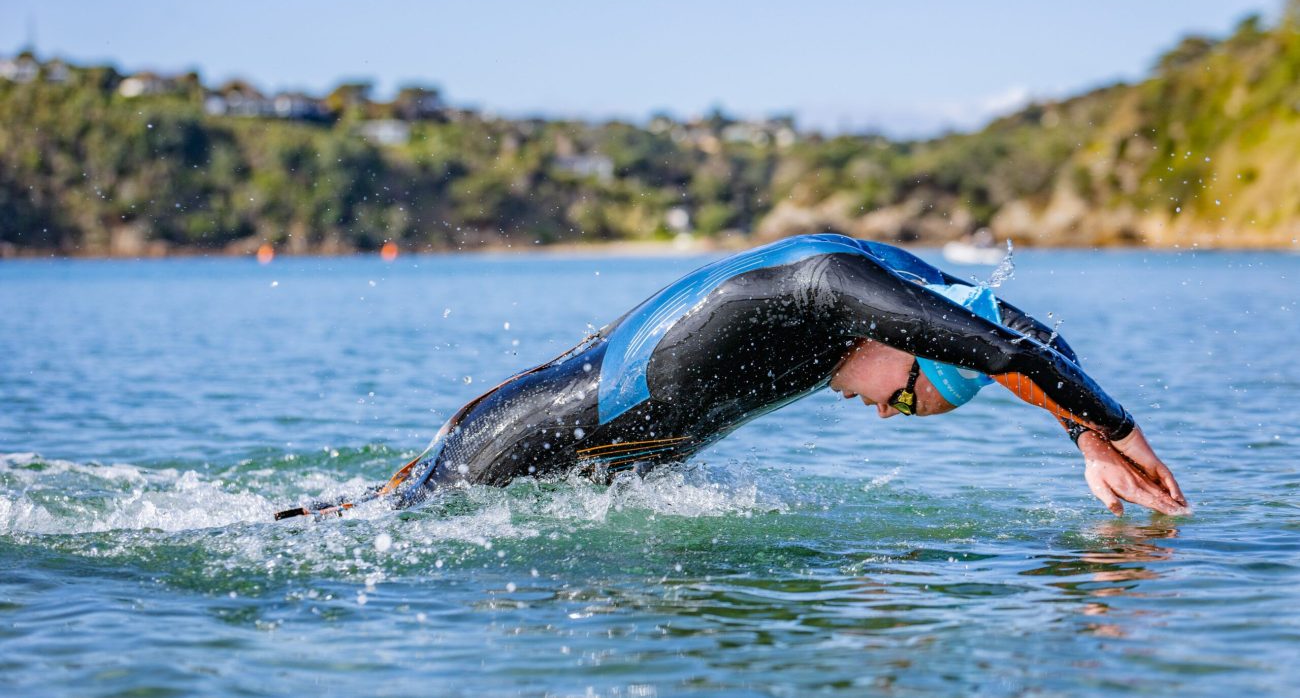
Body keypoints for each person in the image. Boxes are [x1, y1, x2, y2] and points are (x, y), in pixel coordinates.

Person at [275, 234, 1187, 521]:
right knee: (370, 529)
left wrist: (1079, 436)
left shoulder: (875, 284)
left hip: (585, 445)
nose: (879, 410)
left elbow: (999, 319)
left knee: (368, 514)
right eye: (904, 399)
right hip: (526, 434)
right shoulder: (834, 286)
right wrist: (1121, 430)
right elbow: (1005, 350)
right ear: (909, 343)